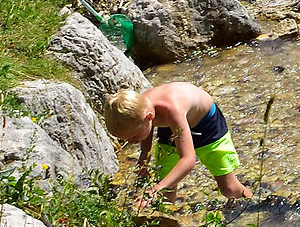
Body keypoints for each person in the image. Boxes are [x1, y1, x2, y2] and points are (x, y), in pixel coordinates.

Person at [103, 82, 252, 200]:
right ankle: (170, 223)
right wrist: (144, 156)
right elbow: (146, 127)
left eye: (134, 136)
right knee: (166, 192)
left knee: (229, 189)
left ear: (149, 117)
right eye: (126, 139)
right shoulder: (140, 108)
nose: (131, 141)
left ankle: (252, 204)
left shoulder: (171, 109)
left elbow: (188, 160)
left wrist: (155, 189)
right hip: (170, 125)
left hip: (206, 124)